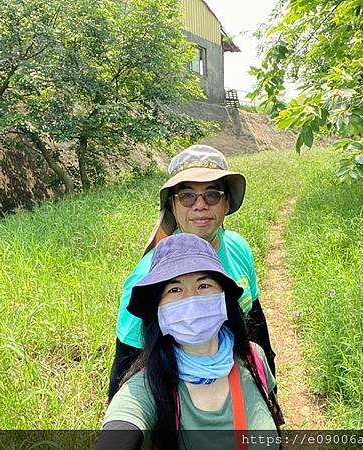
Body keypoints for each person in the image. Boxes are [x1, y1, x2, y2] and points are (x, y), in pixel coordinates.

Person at [108, 145, 275, 401]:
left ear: (227, 202)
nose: (199, 205)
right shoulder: (146, 277)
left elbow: (254, 320)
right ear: (172, 206)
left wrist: (268, 387)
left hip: (238, 391)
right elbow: (128, 366)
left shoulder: (238, 247)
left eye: (212, 194)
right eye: (186, 196)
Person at [99, 233, 282, 449]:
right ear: (159, 311)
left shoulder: (254, 358)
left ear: (224, 297)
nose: (191, 299)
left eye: (204, 285)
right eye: (175, 290)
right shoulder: (148, 387)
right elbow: (123, 422)